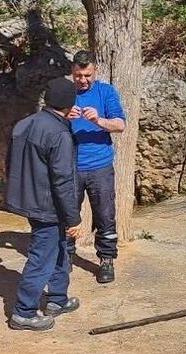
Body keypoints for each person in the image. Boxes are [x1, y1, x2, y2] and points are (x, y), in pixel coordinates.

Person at [3, 77, 83, 331]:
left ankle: (57, 299)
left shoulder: (24, 124)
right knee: (42, 257)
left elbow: (10, 164)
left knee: (59, 248)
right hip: (49, 206)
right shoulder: (59, 133)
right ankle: (24, 312)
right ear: (70, 104)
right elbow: (63, 180)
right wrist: (73, 218)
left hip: (30, 200)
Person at [66, 50, 126, 284]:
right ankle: (66, 257)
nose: (83, 80)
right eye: (78, 75)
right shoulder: (65, 93)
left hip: (100, 166)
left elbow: (120, 125)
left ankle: (107, 260)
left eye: (87, 75)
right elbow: (49, 122)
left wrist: (98, 120)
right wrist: (63, 117)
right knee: (68, 214)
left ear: (95, 71)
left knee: (105, 214)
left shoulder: (106, 92)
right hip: (70, 167)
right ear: (72, 72)